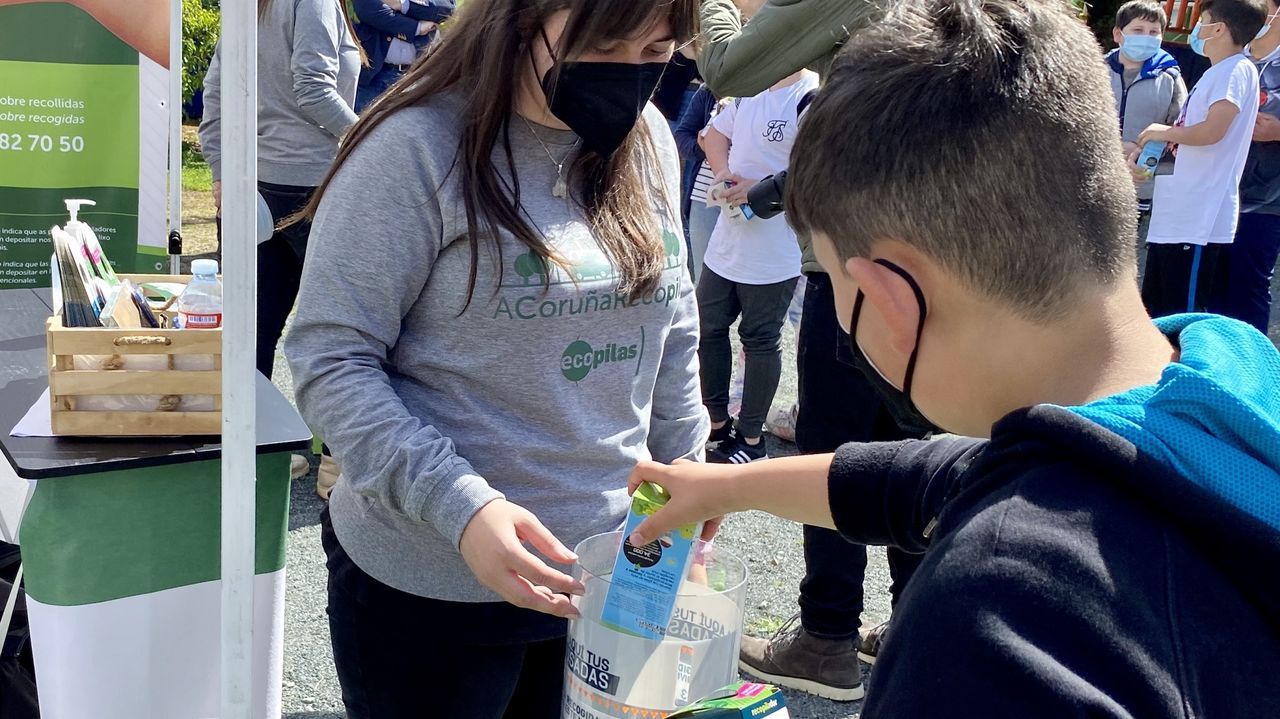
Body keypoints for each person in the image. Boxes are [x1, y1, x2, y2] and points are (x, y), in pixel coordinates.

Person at [628, 0, 1280, 715]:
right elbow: (926, 478)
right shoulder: (1221, 376)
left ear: (890, 300)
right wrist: (725, 487)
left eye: (842, 296)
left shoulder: (994, 614)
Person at [283, 0, 703, 716]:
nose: (630, 80)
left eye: (655, 57)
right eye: (607, 49)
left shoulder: (650, 139)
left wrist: (685, 470)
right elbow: (330, 357)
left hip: (603, 582)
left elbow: (675, 320)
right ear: (524, 17)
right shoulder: (414, 147)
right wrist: (463, 507)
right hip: (432, 587)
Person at [696, 0, 925, 697]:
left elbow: (729, 68)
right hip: (936, 265)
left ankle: (825, 637)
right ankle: (912, 630)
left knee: (835, 451)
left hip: (858, 270)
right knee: (908, 447)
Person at [199, 0, 361, 488]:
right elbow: (312, 89)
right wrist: (372, 137)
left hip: (255, 183)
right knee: (346, 329)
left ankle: (261, 444)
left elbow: (215, 97)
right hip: (314, 184)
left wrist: (223, 171)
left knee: (255, 326)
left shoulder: (249, 7)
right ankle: (336, 463)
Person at [698, 68, 817, 465]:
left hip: (776, 251)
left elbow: (812, 168)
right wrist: (723, 173)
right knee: (708, 327)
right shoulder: (750, 84)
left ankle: (751, 441)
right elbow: (712, 135)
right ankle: (716, 425)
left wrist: (762, 191)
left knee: (760, 339)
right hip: (725, 240)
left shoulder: (810, 93)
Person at [1136, 0, 1265, 317]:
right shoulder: (1217, 73)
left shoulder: (1235, 69)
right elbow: (1190, 140)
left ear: (1218, 28)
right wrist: (1148, 163)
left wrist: (1162, 131)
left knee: (1184, 321)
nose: (1196, 29)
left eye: (1203, 20)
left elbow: (1212, 131)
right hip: (1176, 218)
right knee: (1159, 318)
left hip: (1197, 220)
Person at [1212, 0, 1280, 332]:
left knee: (1246, 286)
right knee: (1209, 287)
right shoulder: (1228, 56)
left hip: (1266, 199)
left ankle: (1252, 374)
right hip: (1214, 191)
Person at [1107, 1, 1188, 241]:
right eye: (1138, 31)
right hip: (1096, 175)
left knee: (1129, 247)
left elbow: (1181, 128)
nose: (1147, 37)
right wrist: (1116, 149)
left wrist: (1144, 151)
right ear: (1118, 34)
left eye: (1154, 33)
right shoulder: (1097, 70)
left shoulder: (1170, 77)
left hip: (1144, 182)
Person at [351, 0, 454, 112]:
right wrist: (416, 28)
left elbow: (446, 8)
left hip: (417, 76)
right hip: (372, 74)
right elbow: (366, 8)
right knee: (361, 125)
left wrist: (401, 4)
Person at [673, 83, 720, 280]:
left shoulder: (770, 91)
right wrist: (705, 148)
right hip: (705, 198)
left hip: (752, 199)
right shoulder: (709, 91)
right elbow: (682, 136)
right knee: (703, 279)